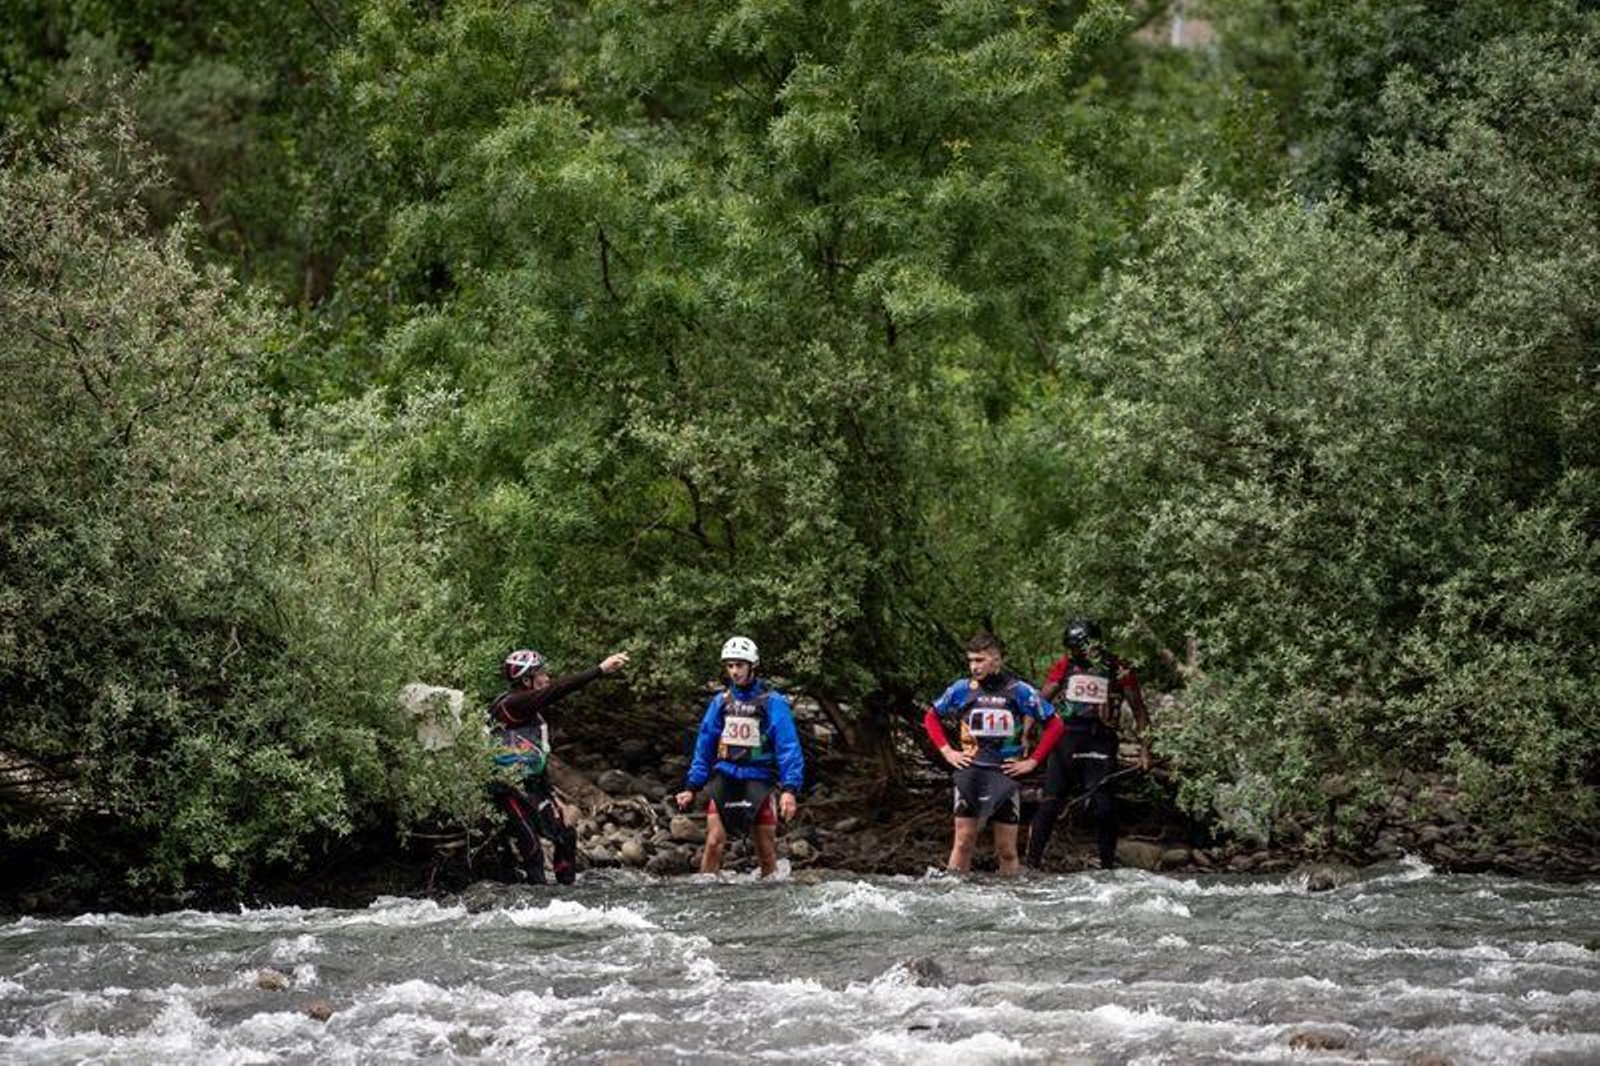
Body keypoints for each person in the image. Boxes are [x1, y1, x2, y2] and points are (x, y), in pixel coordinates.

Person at [923, 632, 1063, 876]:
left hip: (1005, 775)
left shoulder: (1020, 691)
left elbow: (1055, 725)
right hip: (971, 772)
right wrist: (947, 751)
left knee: (1006, 849)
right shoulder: (961, 689)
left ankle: (1010, 901)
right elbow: (931, 717)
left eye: (980, 660)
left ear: (996, 660)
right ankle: (953, 895)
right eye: (971, 661)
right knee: (964, 841)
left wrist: (1033, 761)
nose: (974, 666)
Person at [488, 646, 629, 884]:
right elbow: (557, 690)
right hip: (508, 788)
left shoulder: (530, 711)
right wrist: (599, 670)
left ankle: (565, 894)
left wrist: (555, 797)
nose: (547, 678)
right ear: (526, 680)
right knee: (531, 846)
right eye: (541, 674)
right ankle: (534, 904)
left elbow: (537, 760)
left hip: (533, 785)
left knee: (565, 834)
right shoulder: (513, 704)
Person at [1025, 618, 1152, 870]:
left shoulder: (1118, 668)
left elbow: (1139, 710)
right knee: (1049, 804)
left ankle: (1107, 868)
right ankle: (1030, 865)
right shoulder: (1064, 667)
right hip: (1066, 739)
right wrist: (1026, 733)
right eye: (1071, 648)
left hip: (1100, 739)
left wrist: (1145, 750)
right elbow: (1038, 702)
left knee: (1103, 806)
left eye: (1078, 647)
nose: (1075, 653)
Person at [674, 636, 805, 877]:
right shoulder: (721, 702)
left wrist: (789, 789)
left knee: (765, 852)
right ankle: (704, 897)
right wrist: (692, 787)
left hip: (759, 780)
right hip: (726, 777)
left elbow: (788, 748)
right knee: (713, 843)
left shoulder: (773, 702)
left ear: (752, 666)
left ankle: (769, 904)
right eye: (730, 666)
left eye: (739, 665)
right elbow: (705, 746)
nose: (734, 671)